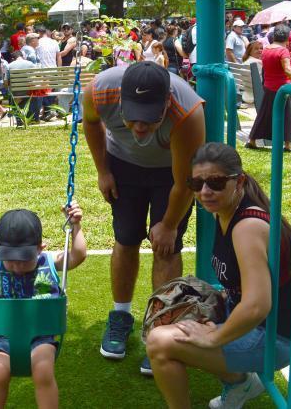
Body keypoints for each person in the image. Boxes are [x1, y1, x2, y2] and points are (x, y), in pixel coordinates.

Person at [146, 142, 291, 409]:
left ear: (239, 182)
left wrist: (213, 337)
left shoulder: (247, 226)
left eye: (215, 182)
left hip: (273, 336)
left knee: (159, 343)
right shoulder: (225, 211)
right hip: (246, 317)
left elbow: (258, 305)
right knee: (167, 315)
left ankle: (238, 381)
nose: (205, 192)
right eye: (197, 183)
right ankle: (241, 382)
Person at [81, 61, 205, 375]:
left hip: (171, 174)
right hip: (123, 165)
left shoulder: (187, 112)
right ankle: (121, 316)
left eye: (149, 119)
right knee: (125, 238)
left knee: (167, 247)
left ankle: (160, 330)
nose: (139, 127)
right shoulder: (100, 90)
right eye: (133, 117)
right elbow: (91, 123)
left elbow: (185, 182)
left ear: (166, 103)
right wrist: (103, 170)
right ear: (121, 100)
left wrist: (169, 225)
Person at [0, 202, 87, 409]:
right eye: (11, 260)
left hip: (41, 335)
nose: (17, 266)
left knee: (43, 369)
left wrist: (76, 226)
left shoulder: (49, 261)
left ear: (40, 248)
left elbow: (78, 255)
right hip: (4, 337)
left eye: (24, 260)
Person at [247, 24, 291, 151]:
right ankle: (288, 144)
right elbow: (287, 69)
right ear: (288, 38)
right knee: (288, 116)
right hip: (282, 88)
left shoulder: (266, 49)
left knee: (264, 115)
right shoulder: (283, 51)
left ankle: (252, 140)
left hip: (268, 87)